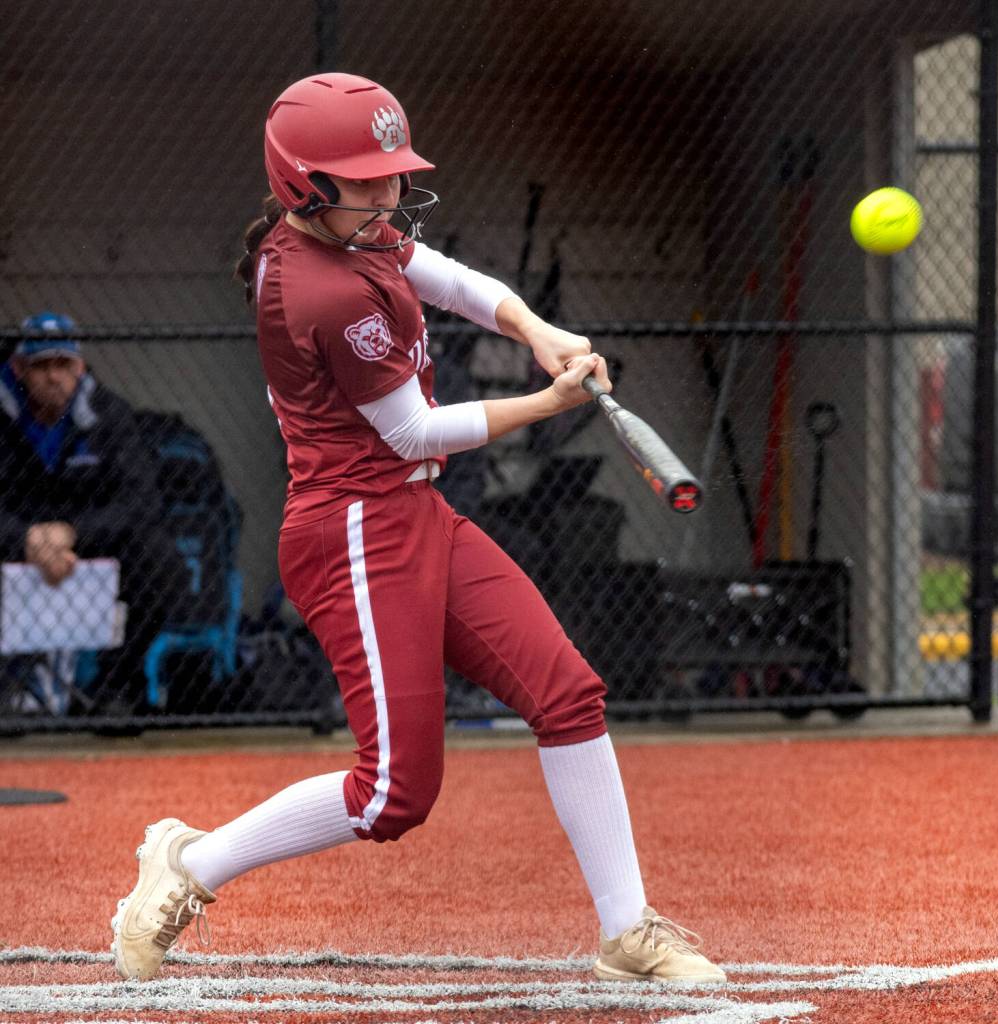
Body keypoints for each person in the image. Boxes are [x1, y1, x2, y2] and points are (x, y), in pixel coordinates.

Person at [110, 73, 726, 987]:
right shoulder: (325, 292)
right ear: (304, 184)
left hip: (413, 514)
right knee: (394, 792)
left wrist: (535, 327)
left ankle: (626, 929)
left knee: (567, 694)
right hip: (351, 533)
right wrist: (547, 400)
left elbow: (447, 278)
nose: (390, 193)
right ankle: (189, 865)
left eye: (393, 173)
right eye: (367, 180)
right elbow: (413, 432)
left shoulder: (343, 228)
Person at [0, 313, 187, 716]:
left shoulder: (108, 412)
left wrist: (73, 533)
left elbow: (141, 502)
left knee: (160, 561)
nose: (54, 378)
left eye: (63, 365)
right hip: (17, 544)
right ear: (18, 368)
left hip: (87, 544)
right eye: (41, 366)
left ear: (80, 366)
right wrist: (25, 539)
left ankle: (113, 687)